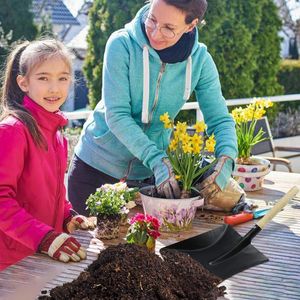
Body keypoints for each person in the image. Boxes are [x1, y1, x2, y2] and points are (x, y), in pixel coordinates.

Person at [68, 0, 242, 215]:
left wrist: (226, 159)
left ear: (191, 25)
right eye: (152, 19)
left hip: (147, 177)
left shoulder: (201, 61)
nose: (155, 33)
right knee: (86, 245)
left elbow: (219, 119)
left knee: (141, 246)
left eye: (169, 28)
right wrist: (158, 161)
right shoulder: (121, 44)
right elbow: (117, 115)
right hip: (96, 167)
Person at [0, 39, 95, 271]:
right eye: (43, 78)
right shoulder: (13, 130)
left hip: (42, 256)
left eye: (62, 78)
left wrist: (67, 216)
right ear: (23, 82)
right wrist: (44, 238)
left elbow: (54, 191)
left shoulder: (57, 131)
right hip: (11, 262)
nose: (54, 88)